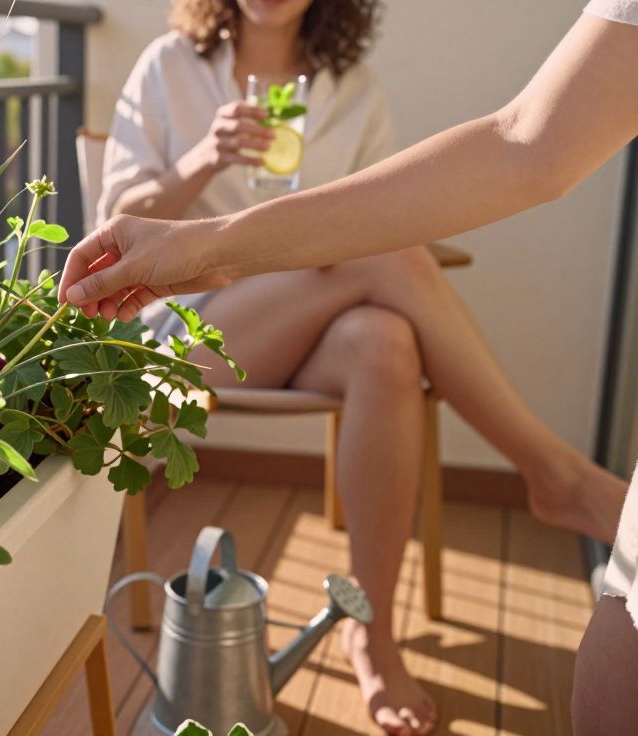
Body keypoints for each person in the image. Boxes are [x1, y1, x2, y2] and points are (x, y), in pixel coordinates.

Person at [60, 1, 638, 731]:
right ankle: (554, 475)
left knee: (385, 344)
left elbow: (388, 207)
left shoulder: (352, 88)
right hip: (189, 333)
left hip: (317, 328)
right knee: (392, 256)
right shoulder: (169, 68)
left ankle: (373, 634)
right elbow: (116, 218)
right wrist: (207, 155)